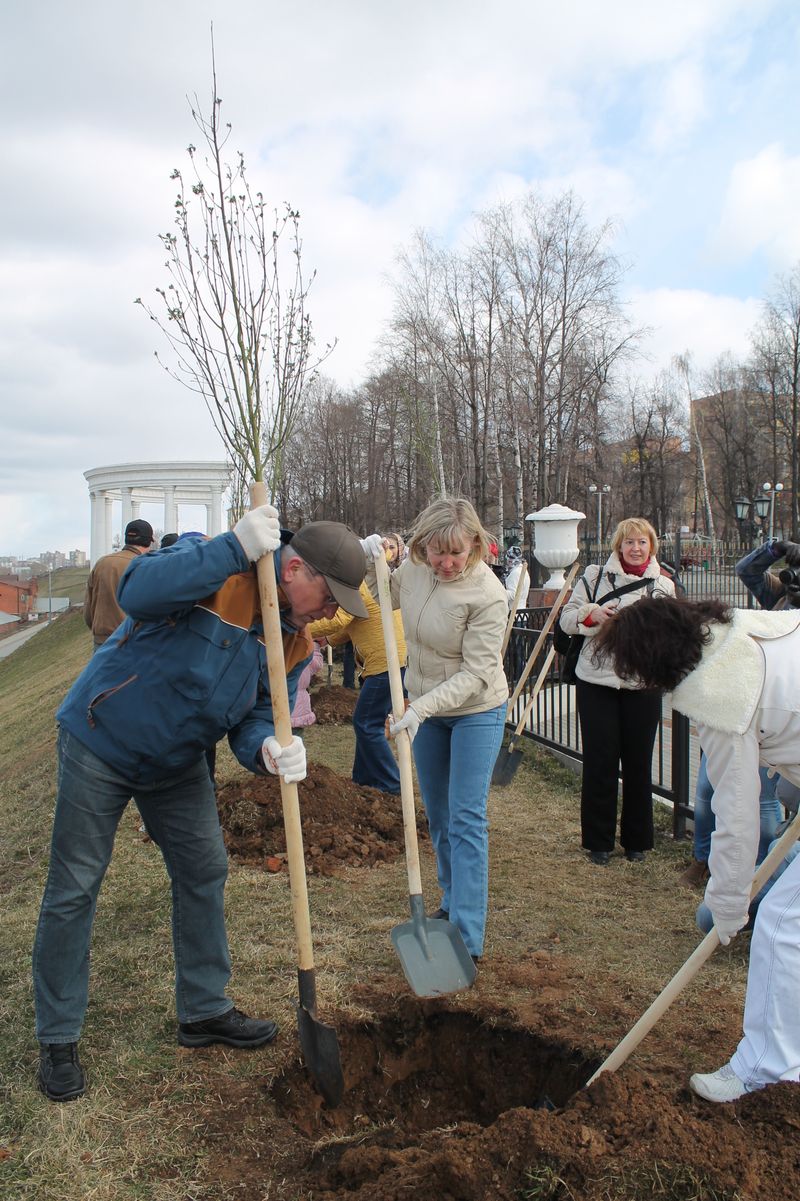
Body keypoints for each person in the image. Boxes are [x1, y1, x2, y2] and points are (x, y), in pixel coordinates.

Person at [34, 511, 370, 1103]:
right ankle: (58, 1036)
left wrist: (267, 747)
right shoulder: (218, 567)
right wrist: (231, 546)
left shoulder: (293, 640)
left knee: (204, 869)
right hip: (102, 738)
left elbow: (255, 716)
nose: (331, 612)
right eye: (330, 596)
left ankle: (203, 1010)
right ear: (294, 569)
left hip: (177, 761)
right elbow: (136, 592)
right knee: (75, 885)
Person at [595, 595, 800, 1101]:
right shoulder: (743, 626)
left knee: (777, 924)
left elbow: (737, 815)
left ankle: (765, 1070)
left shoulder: (718, 691)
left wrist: (729, 906)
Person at [373, 497, 509, 962]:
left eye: (457, 552)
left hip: (476, 709)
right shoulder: (412, 571)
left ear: (474, 544)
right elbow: (378, 595)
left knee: (467, 819)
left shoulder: (488, 595)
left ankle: (468, 937)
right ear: (422, 545)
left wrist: (420, 707)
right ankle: (450, 904)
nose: (447, 563)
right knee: (438, 816)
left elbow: (476, 674)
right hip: (427, 711)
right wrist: (368, 559)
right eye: (437, 552)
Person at [680, 537, 800, 886]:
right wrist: (776, 549)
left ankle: (759, 871)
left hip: (774, 723)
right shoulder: (779, 597)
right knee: (707, 789)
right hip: (735, 708)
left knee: (759, 800)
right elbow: (746, 570)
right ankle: (703, 859)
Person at [559, 518, 676, 866]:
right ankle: (599, 842)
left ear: (651, 547)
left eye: (642, 542)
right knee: (600, 761)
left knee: (639, 763)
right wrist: (592, 614)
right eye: (629, 543)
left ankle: (637, 841)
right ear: (619, 546)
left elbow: (671, 637)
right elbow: (566, 619)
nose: (636, 548)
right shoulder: (595, 577)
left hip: (642, 684)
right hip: (597, 681)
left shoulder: (663, 587)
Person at [309, 569, 407, 794]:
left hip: (386, 663)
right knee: (365, 722)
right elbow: (353, 624)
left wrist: (299, 624)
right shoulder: (367, 582)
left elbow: (341, 618)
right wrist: (328, 639)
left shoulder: (356, 582)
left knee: (366, 723)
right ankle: (362, 780)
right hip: (391, 661)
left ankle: (392, 785)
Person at [83, 519, 154, 648]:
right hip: (131, 641)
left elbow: (88, 608)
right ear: (148, 542)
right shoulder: (145, 566)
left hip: (101, 640)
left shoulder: (101, 563)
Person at [290, 644, 324, 729]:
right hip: (298, 711)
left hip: (273, 710)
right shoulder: (304, 650)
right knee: (296, 739)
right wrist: (315, 647)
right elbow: (317, 665)